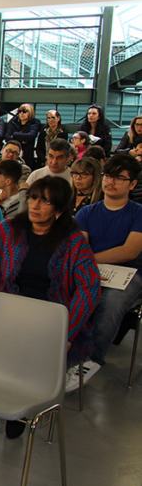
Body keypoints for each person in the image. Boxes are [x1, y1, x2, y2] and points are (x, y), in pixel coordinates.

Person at [0, 176, 100, 433]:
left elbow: (89, 289)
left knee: (28, 353)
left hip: (47, 322)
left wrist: (69, 332)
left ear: (60, 210)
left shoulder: (73, 242)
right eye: (33, 198)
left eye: (45, 201)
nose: (36, 206)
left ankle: (17, 406)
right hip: (5, 314)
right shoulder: (7, 230)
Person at [75, 154, 142, 385]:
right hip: (91, 271)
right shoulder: (86, 213)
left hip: (129, 274)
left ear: (132, 184)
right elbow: (80, 247)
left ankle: (92, 359)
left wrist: (90, 259)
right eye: (107, 176)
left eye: (119, 178)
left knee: (111, 302)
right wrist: (89, 263)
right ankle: (64, 351)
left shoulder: (138, 213)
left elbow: (129, 251)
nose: (110, 182)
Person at [4, 104, 42, 168]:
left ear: (30, 113)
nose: (21, 113)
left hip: (27, 154)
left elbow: (31, 136)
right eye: (19, 111)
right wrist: (23, 140)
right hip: (12, 153)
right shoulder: (13, 121)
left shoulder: (35, 122)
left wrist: (15, 135)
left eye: (24, 111)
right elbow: (7, 137)